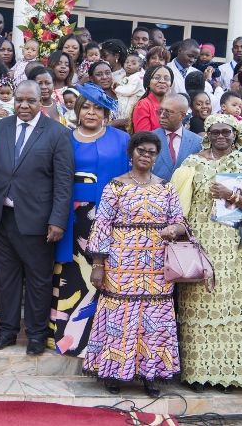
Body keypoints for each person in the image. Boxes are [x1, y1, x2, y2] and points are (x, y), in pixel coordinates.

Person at [83, 131, 191, 396]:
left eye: (151, 152)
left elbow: (180, 221)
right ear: (131, 153)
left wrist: (174, 230)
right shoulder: (116, 186)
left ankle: (150, 374)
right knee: (121, 316)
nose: (145, 156)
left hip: (156, 264)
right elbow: (102, 225)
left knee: (155, 317)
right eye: (141, 151)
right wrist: (98, 264)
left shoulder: (166, 187)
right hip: (121, 263)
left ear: (156, 157)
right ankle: (115, 373)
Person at [171, 114, 242, 393]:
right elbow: (178, 207)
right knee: (199, 306)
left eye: (226, 132)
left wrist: (233, 196)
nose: (220, 136)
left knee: (234, 307)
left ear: (236, 134)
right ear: (207, 133)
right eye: (215, 131)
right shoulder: (193, 164)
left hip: (238, 248)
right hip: (201, 245)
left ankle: (231, 376)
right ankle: (197, 374)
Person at [0, 80, 74, 356]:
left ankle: (36, 335)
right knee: (5, 280)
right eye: (19, 100)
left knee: (38, 280)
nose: (23, 105)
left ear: (40, 100)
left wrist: (57, 220)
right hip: (1, 219)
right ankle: (6, 332)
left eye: (30, 100)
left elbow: (63, 183)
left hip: (38, 222)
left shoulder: (57, 133)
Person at [49, 83, 129, 357]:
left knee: (103, 276)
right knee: (71, 274)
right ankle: (66, 340)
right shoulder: (64, 137)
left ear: (106, 113)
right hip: (70, 218)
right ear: (77, 109)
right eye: (86, 107)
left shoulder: (121, 139)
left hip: (107, 218)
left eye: (98, 108)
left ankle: (102, 343)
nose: (91, 112)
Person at [151, 94, 202, 181]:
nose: (162, 115)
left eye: (168, 112)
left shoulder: (198, 142)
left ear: (182, 116)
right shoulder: (148, 139)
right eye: (160, 110)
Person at [132, 64, 173, 132]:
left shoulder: (173, 104)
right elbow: (144, 138)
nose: (162, 81)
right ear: (148, 83)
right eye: (157, 78)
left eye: (167, 79)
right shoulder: (143, 105)